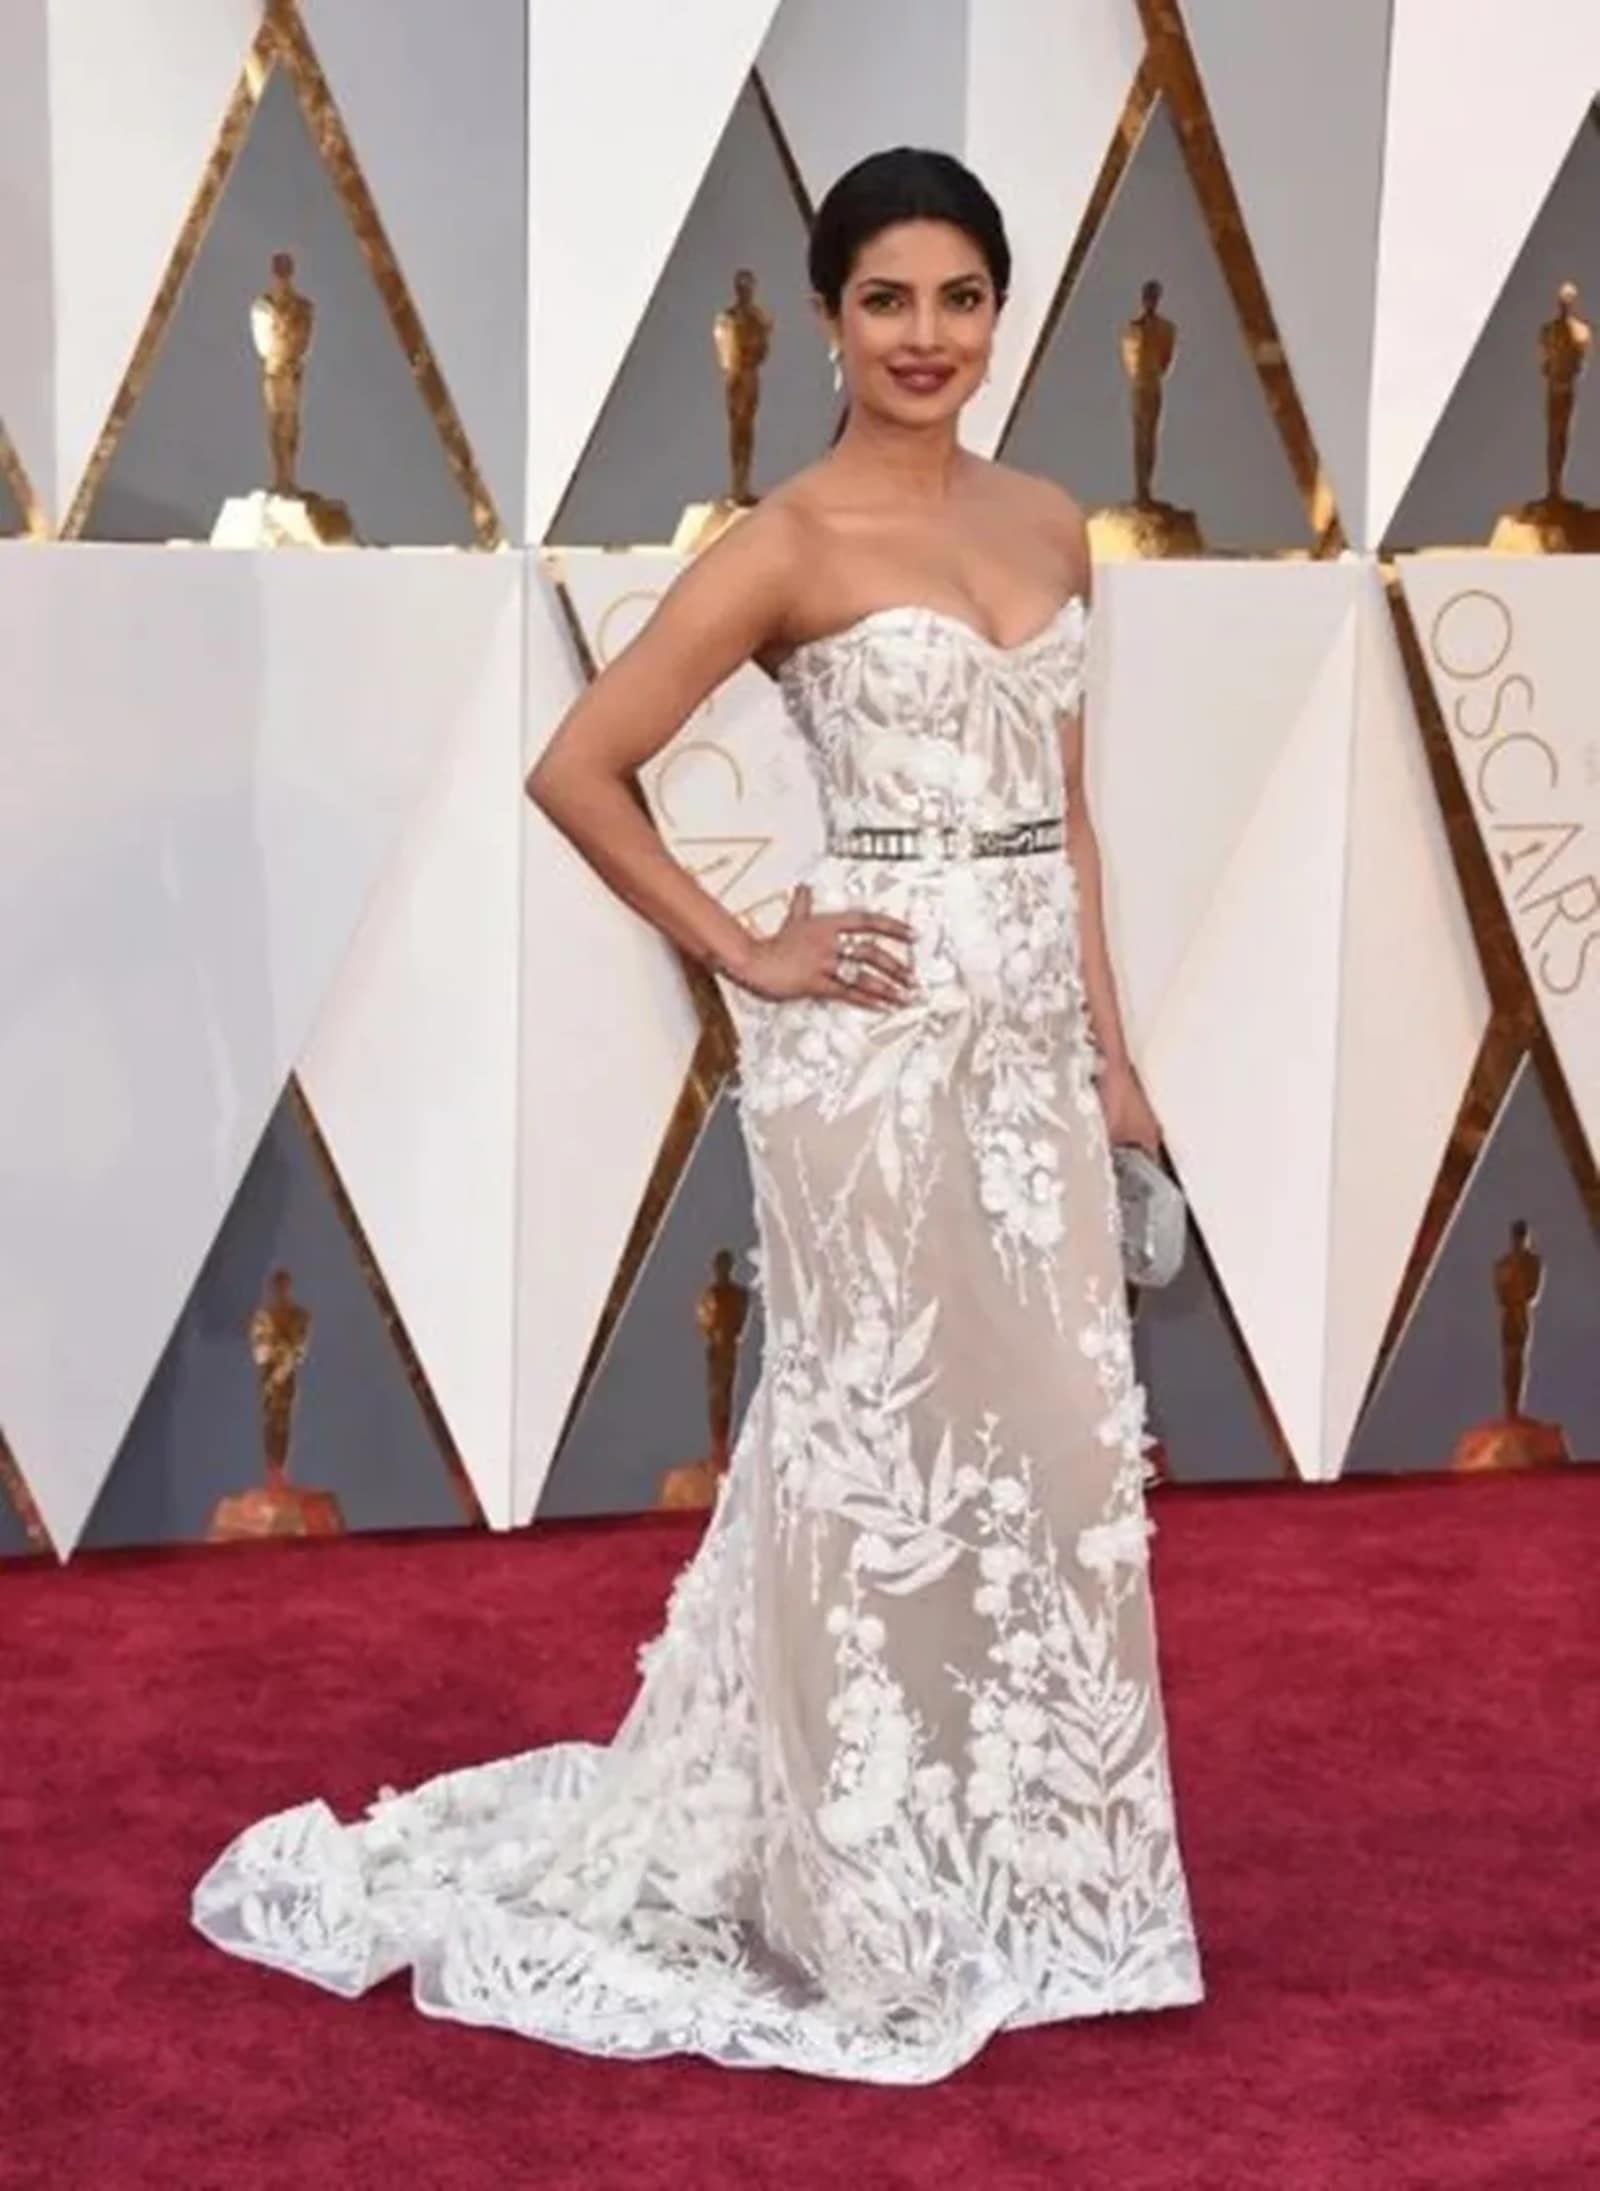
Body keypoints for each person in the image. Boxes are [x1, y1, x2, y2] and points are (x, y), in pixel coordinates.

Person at [191, 145, 1203, 2083]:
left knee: (1060, 1457)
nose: (926, 335)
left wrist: (1117, 1056)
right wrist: (749, 945)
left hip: (1027, 1066)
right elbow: (580, 767)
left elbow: (1066, 818)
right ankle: (855, 1890)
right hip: (869, 1057)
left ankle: (1052, 1879)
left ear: (1001, 313)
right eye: (887, 299)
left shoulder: (1055, 523)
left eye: (960, 297)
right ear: (827, 318)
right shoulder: (788, 536)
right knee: (869, 1465)